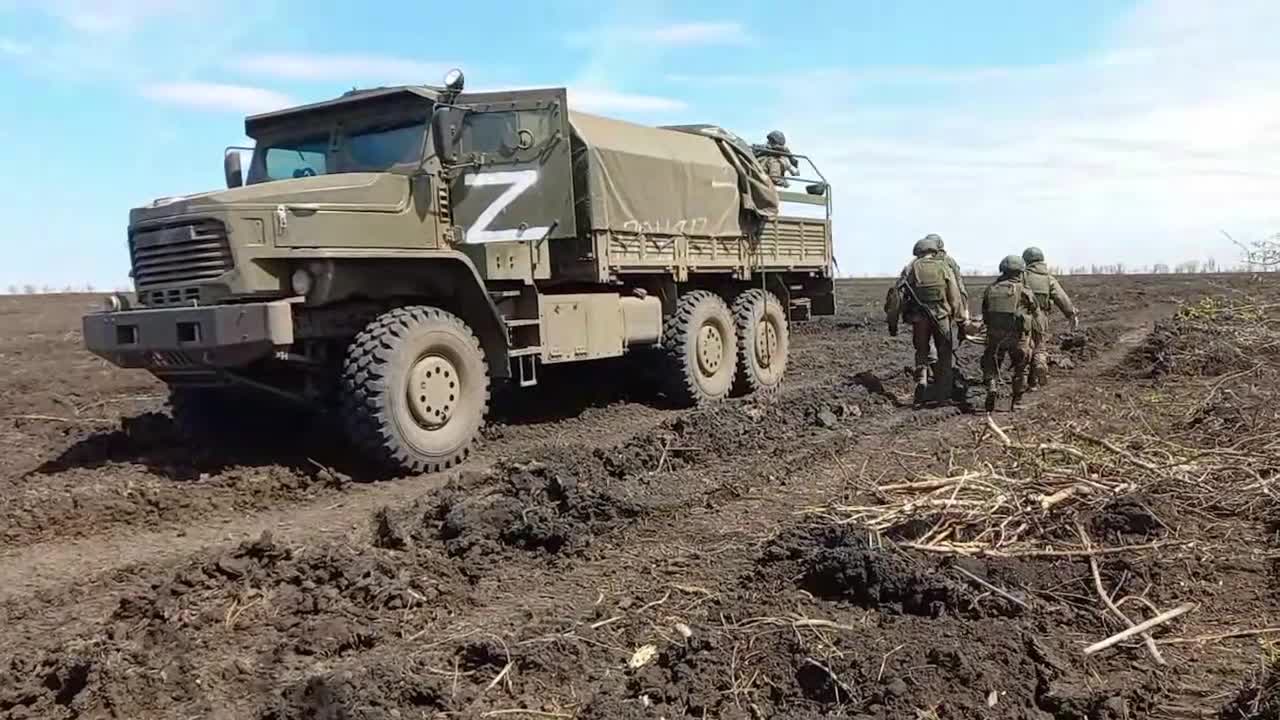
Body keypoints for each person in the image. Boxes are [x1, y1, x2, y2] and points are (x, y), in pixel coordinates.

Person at [884, 235, 967, 405]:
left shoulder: (910, 268)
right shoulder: (944, 267)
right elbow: (955, 295)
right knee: (944, 354)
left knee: (922, 351)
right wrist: (960, 320)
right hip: (942, 317)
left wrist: (893, 323)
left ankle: (922, 380)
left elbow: (896, 297)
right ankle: (943, 396)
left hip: (919, 318)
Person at [981, 255, 1040, 412]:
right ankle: (1017, 402)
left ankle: (992, 385)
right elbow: (1035, 310)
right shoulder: (1025, 291)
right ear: (1020, 271)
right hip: (1017, 337)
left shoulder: (991, 289)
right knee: (1021, 368)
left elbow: (985, 314)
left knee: (991, 364)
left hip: (995, 335)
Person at [1020, 247, 1078, 390]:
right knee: (1039, 347)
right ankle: (1036, 375)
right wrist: (1071, 314)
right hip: (1041, 317)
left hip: (1022, 317)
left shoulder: (1021, 277)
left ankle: (1023, 380)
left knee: (1024, 348)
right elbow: (1062, 298)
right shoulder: (1048, 278)